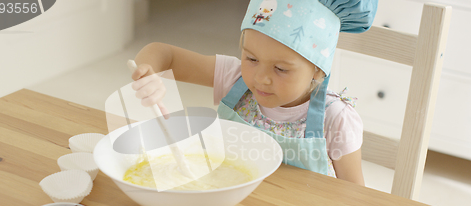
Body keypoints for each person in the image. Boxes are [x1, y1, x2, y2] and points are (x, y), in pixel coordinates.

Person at [130, 0, 378, 185]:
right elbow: (164, 53)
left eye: (281, 69)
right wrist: (149, 73)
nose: (260, 78)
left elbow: (352, 198)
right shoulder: (235, 78)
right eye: (251, 58)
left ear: (318, 71)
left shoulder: (335, 119)